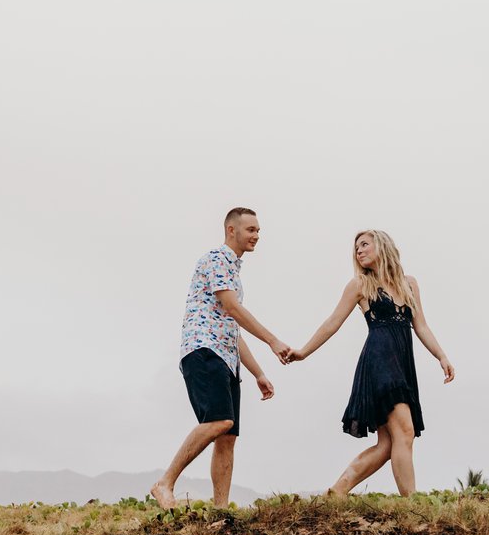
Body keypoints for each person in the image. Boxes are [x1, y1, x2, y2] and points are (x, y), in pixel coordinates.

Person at [285, 229, 454, 496]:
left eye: (364, 244)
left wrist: (441, 356)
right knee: (405, 432)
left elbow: (420, 326)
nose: (359, 251)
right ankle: (412, 504)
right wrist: (304, 351)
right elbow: (332, 323)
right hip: (378, 361)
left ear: (382, 245)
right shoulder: (359, 285)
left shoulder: (410, 284)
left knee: (387, 444)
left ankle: (337, 491)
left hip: (401, 363)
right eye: (356, 248)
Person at [150, 207, 291, 510]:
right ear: (232, 230)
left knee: (227, 436)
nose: (256, 236)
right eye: (251, 230)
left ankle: (221, 510)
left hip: (226, 356)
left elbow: (232, 327)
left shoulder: (234, 272)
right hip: (203, 349)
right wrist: (272, 340)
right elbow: (232, 308)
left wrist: (258, 374)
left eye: (258, 231)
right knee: (219, 420)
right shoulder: (217, 259)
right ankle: (165, 482)